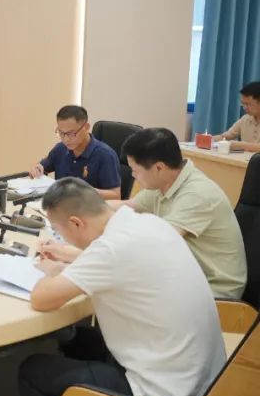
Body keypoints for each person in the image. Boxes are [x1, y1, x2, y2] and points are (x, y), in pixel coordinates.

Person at [0, 178, 224, 396]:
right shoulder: (145, 224)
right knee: (81, 342)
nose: (63, 238)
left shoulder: (112, 249)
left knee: (34, 372)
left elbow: (42, 299)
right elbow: (110, 262)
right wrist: (68, 261)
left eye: (60, 231)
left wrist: (52, 271)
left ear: (76, 223)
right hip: (200, 381)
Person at [112, 127, 246, 299]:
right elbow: (127, 206)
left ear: (158, 167)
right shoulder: (164, 182)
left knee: (122, 292)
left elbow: (161, 241)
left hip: (214, 291)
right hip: (185, 279)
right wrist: (86, 207)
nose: (132, 175)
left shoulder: (197, 194)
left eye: (135, 170)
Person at [29, 105, 121, 200]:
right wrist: (36, 168)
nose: (66, 139)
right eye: (61, 133)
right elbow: (42, 167)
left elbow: (116, 195)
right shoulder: (60, 148)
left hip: (89, 206)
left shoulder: (105, 155)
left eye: (71, 134)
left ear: (86, 127)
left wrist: (85, 192)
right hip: (61, 204)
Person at [213, 80, 260, 152]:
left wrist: (241, 145)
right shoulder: (245, 119)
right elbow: (226, 136)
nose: (244, 107)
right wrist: (209, 139)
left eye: (248, 104)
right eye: (243, 104)